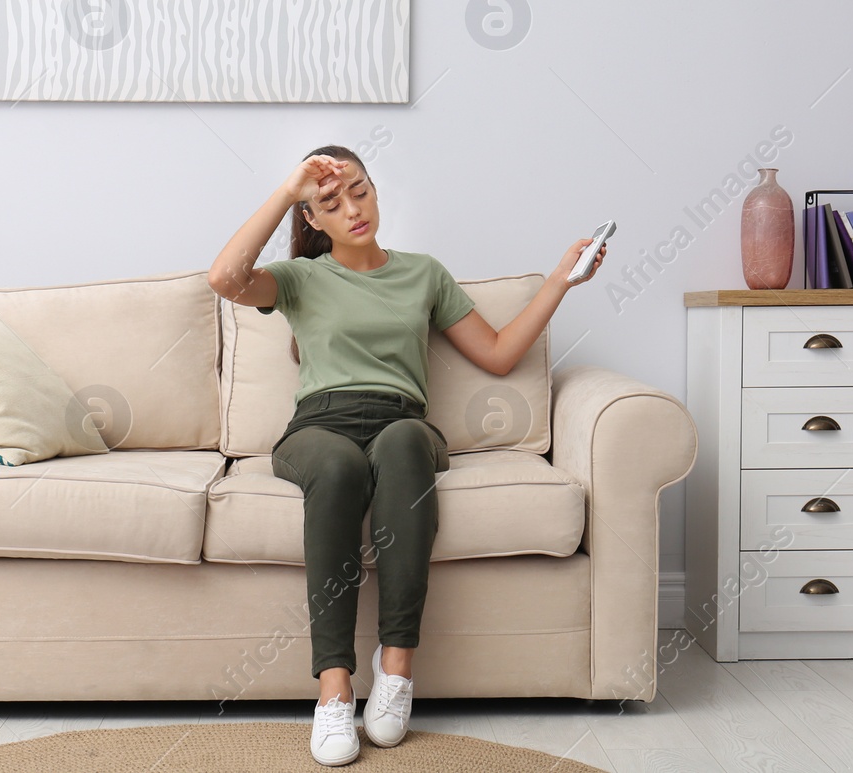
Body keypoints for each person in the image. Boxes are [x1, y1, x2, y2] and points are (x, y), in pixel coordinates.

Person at [208, 144, 608, 766]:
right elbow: (224, 279)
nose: (353, 209)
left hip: (403, 420)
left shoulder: (423, 273)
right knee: (338, 467)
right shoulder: (301, 279)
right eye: (330, 203)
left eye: (360, 190)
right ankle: (334, 691)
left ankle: (395, 670)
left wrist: (561, 279)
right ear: (312, 218)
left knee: (401, 444)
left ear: (374, 188)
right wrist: (289, 191)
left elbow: (499, 354)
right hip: (319, 425)